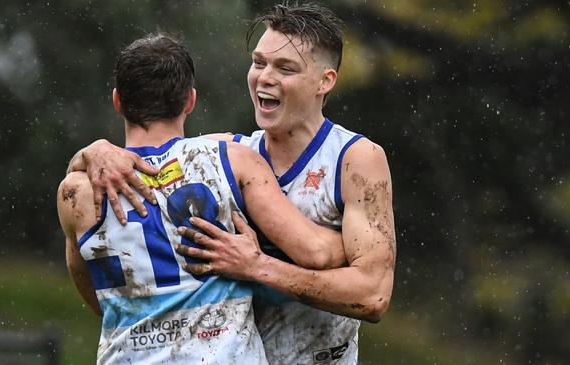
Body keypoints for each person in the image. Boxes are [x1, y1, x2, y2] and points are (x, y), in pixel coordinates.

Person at [68, 3, 396, 364]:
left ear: (325, 81)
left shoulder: (355, 159)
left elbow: (372, 296)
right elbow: (152, 157)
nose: (264, 77)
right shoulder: (226, 155)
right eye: (258, 63)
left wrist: (257, 267)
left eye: (285, 68)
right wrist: (93, 152)